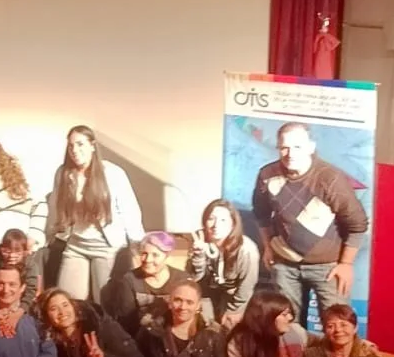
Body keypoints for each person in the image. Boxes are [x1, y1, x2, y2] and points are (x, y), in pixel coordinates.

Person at [252, 123, 368, 322]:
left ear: (311, 147)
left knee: (337, 324)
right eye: (285, 147)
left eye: (297, 147)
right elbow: (262, 214)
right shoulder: (267, 175)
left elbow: (358, 224)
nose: (290, 153)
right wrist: (268, 248)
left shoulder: (330, 178)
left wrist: (346, 264)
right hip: (285, 263)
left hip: (328, 266)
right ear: (278, 148)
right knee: (286, 327)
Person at [45, 126, 144, 303]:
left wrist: (137, 243)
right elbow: (55, 207)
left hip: (106, 246)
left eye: (80, 144)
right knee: (70, 302)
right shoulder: (63, 173)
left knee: (104, 302)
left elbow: (128, 209)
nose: (75, 150)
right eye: (71, 146)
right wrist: (48, 235)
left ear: (92, 146)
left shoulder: (112, 173)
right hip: (76, 244)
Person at [102, 231, 191, 335]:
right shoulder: (130, 280)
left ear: (167, 256)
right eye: (144, 254)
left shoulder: (181, 280)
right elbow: (126, 321)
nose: (148, 259)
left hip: (173, 336)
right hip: (141, 338)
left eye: (155, 255)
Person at [189, 199, 260, 327]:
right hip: (206, 293)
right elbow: (195, 278)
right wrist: (198, 255)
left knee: (229, 325)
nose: (216, 225)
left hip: (234, 296)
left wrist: (234, 310)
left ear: (233, 224)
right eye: (211, 219)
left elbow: (247, 285)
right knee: (202, 326)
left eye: (223, 220)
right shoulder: (199, 240)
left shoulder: (246, 248)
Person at [0, 229, 41, 316]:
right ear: (1, 249)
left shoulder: (30, 265)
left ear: (24, 252)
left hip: (21, 307)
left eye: (17, 252)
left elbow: (31, 291)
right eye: (6, 251)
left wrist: (20, 311)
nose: (11, 256)